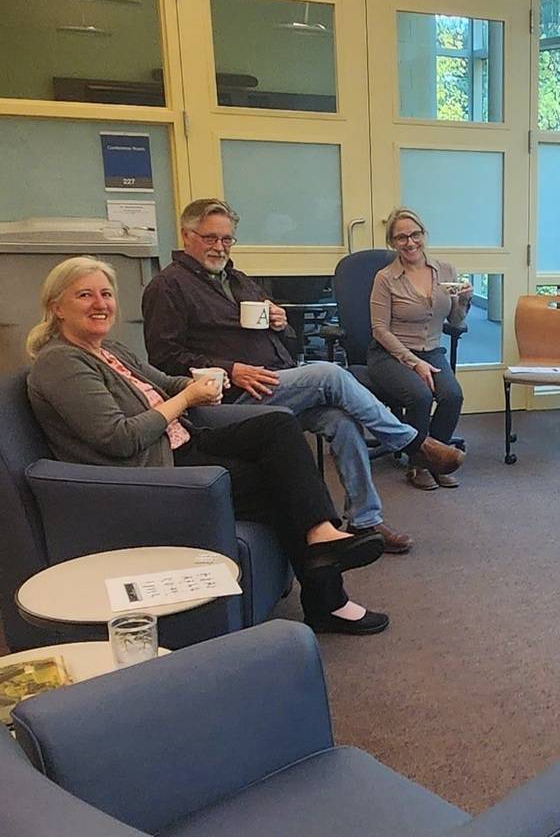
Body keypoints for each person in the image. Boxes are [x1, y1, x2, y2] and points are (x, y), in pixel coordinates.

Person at [25, 257, 390, 636]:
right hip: (154, 471)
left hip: (183, 439)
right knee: (280, 483)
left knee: (278, 426)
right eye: (85, 295)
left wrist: (199, 385)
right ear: (56, 307)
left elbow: (164, 381)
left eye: (106, 294)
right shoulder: (60, 363)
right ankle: (328, 598)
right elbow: (119, 438)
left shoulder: (110, 349)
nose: (100, 304)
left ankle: (321, 535)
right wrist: (186, 399)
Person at [141, 198, 465, 555]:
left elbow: (288, 341)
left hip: (276, 381)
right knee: (330, 374)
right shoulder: (167, 287)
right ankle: (414, 444)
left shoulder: (238, 280)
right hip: (229, 398)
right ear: (187, 236)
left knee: (342, 421)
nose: (220, 247)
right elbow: (164, 358)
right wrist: (231, 369)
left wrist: (281, 324)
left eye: (227, 239)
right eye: (210, 238)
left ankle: (365, 520)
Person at [366, 208, 470, 491]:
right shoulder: (385, 278)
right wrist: (413, 362)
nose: (410, 242)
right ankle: (418, 464)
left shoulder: (446, 271)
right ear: (392, 242)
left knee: (452, 396)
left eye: (415, 234)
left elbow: (455, 320)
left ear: (424, 235)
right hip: (390, 354)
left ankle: (436, 459)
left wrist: (463, 301)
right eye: (401, 237)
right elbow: (379, 330)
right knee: (420, 396)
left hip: (431, 350)